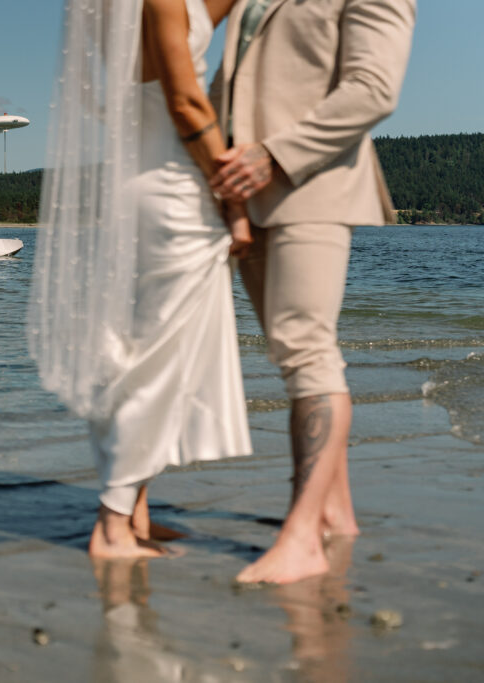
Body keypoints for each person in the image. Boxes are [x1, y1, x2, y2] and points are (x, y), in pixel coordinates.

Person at [28, 0, 251, 559]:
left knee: (136, 350)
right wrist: (230, 193)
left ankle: (137, 514)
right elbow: (184, 99)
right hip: (175, 189)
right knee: (160, 363)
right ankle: (111, 523)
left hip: (135, 184)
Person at [208, 0, 416, 583]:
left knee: (307, 349)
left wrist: (273, 154)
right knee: (289, 354)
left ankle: (300, 538)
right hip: (246, 195)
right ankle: (334, 514)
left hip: (312, 186)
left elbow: (374, 89)